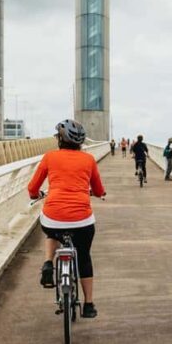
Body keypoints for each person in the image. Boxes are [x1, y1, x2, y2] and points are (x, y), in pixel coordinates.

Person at [28, 119, 106, 318]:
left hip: (53, 216)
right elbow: (98, 189)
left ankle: (48, 263)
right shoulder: (88, 160)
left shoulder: (49, 157)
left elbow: (32, 188)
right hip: (82, 220)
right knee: (84, 255)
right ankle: (88, 304)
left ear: (60, 139)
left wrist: (35, 195)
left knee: (52, 230)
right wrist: (97, 193)